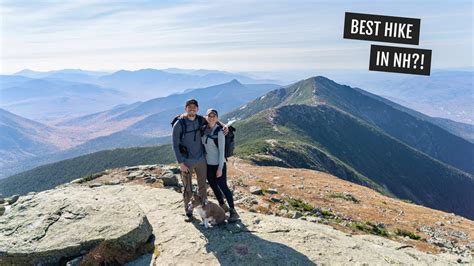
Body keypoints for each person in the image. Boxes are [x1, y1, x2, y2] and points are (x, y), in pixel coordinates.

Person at [172, 99, 228, 222]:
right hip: (186, 161)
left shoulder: (200, 119)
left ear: (197, 109)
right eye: (189, 107)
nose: (192, 109)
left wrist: (223, 125)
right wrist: (180, 163)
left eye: (194, 107)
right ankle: (188, 211)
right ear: (185, 108)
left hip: (201, 160)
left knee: (202, 186)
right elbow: (175, 145)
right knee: (188, 188)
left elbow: (212, 119)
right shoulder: (179, 124)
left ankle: (204, 209)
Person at [202, 108, 240, 222]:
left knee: (223, 187)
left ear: (217, 118)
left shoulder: (220, 132)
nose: (211, 117)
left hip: (219, 164)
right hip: (208, 165)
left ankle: (233, 211)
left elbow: (222, 152)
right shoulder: (204, 129)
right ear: (206, 117)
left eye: (214, 116)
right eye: (209, 115)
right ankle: (223, 206)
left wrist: (220, 168)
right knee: (213, 186)